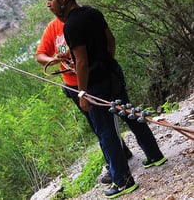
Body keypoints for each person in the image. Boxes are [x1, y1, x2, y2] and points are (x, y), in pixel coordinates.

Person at [40, 0, 167, 199]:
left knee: (105, 131)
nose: (48, 4)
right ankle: (155, 155)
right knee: (130, 114)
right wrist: (107, 63)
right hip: (112, 74)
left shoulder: (71, 25)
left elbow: (81, 61)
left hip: (95, 84)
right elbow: (111, 40)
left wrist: (82, 92)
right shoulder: (93, 13)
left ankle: (123, 181)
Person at [35, 15, 133, 185]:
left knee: (106, 125)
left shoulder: (78, 22)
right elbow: (40, 55)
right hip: (73, 84)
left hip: (93, 82)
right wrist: (53, 60)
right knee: (97, 125)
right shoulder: (53, 28)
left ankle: (119, 170)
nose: (48, 4)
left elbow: (97, 49)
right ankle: (120, 156)